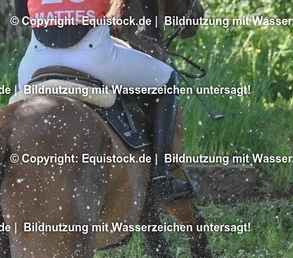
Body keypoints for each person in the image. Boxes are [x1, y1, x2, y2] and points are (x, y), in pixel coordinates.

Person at [14, 0, 197, 204]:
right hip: (94, 55)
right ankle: (161, 177)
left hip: (36, 59)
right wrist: (152, 29)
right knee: (167, 78)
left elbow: (21, 14)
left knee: (16, 113)